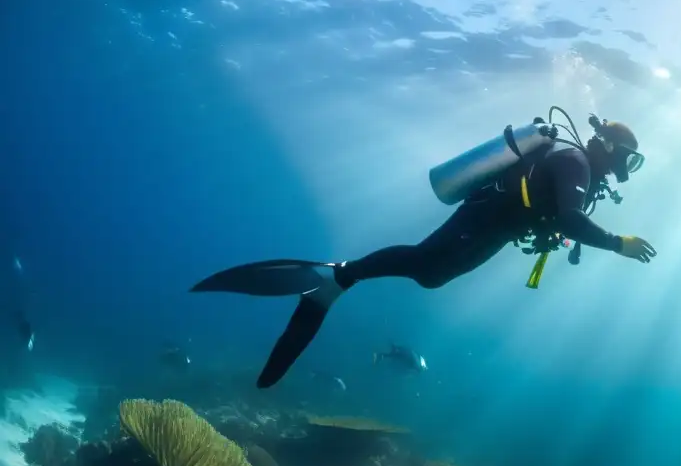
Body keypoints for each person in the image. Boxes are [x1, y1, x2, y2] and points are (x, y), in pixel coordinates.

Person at [192, 109, 656, 388]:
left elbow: (560, 219)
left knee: (431, 274)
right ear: (610, 148)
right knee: (423, 263)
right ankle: (336, 275)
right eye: (628, 157)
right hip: (486, 219)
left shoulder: (576, 166)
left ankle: (335, 280)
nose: (628, 167)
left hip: (494, 223)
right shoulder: (575, 161)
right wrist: (618, 243)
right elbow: (570, 217)